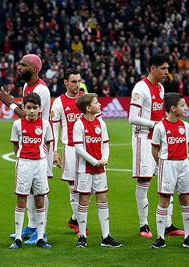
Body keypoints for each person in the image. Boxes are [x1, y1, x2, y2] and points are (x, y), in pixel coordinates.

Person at [0, 54, 52, 244]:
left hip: (40, 147)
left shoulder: (41, 90)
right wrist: (14, 102)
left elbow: (31, 118)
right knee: (28, 190)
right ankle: (32, 226)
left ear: (35, 69)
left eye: (23, 65)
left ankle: (40, 232)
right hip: (28, 151)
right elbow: (25, 111)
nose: (18, 67)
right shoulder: (28, 86)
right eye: (19, 64)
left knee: (40, 191)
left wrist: (9, 103)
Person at [129, 53, 184, 238]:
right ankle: (143, 225)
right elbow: (132, 118)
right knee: (144, 182)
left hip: (159, 140)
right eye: (163, 68)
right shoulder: (140, 88)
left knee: (167, 181)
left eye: (167, 68)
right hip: (143, 139)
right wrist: (155, 124)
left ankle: (168, 225)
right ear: (153, 69)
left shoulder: (160, 88)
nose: (167, 72)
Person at [73, 93, 122, 248]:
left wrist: (104, 159)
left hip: (100, 169)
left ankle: (106, 236)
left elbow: (105, 144)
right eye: (96, 102)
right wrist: (96, 162)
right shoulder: (78, 124)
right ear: (88, 108)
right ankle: (82, 236)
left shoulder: (101, 123)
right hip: (84, 169)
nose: (99, 104)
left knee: (102, 199)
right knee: (84, 201)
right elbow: (79, 149)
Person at [150, 93, 189, 249]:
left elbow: (186, 146)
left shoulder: (186, 126)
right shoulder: (160, 127)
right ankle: (160, 238)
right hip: (167, 165)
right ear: (172, 108)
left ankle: (188, 238)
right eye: (182, 105)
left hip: (183, 164)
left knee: (185, 199)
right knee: (164, 200)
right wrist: (162, 165)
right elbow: (154, 149)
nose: (185, 108)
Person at [9, 92, 53, 249]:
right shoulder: (17, 125)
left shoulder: (46, 124)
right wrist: (24, 156)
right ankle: (18, 238)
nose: (32, 111)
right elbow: (15, 145)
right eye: (28, 108)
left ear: (40, 108)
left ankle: (41, 237)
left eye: (35, 108)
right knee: (21, 199)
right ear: (24, 108)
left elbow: (48, 143)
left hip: (40, 165)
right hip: (24, 164)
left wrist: (41, 157)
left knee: (40, 199)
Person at [51, 69, 88, 235]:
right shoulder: (59, 102)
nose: (77, 85)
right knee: (74, 187)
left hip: (88, 149)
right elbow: (54, 128)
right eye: (73, 81)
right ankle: (80, 224)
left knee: (89, 188)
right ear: (65, 82)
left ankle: (74, 218)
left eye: (79, 81)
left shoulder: (86, 99)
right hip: (71, 149)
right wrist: (54, 150)